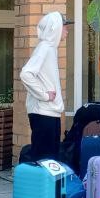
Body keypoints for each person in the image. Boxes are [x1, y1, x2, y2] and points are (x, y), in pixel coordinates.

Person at [19, 11, 72, 161]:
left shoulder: (50, 49)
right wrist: (44, 95)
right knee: (44, 159)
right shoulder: (44, 48)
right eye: (64, 26)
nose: (67, 30)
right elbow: (26, 74)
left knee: (51, 159)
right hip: (43, 112)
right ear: (56, 28)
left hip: (50, 112)